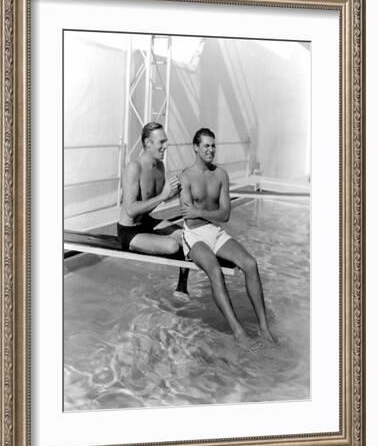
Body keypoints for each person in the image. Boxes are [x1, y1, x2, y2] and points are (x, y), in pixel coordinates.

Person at [179, 128, 276, 348]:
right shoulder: (186, 176)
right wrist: (199, 215)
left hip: (213, 230)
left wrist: (201, 213)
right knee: (214, 269)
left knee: (251, 264)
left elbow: (225, 214)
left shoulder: (221, 175)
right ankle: (238, 330)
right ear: (196, 147)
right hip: (193, 236)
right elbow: (189, 218)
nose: (211, 150)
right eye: (206, 146)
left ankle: (264, 328)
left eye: (213, 146)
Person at [118, 122, 189, 296]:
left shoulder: (159, 166)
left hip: (147, 223)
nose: (166, 146)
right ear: (148, 143)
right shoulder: (134, 167)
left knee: (186, 237)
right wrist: (164, 196)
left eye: (166, 142)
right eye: (161, 142)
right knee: (173, 246)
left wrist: (176, 189)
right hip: (129, 230)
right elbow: (131, 210)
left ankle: (182, 287)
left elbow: (160, 198)